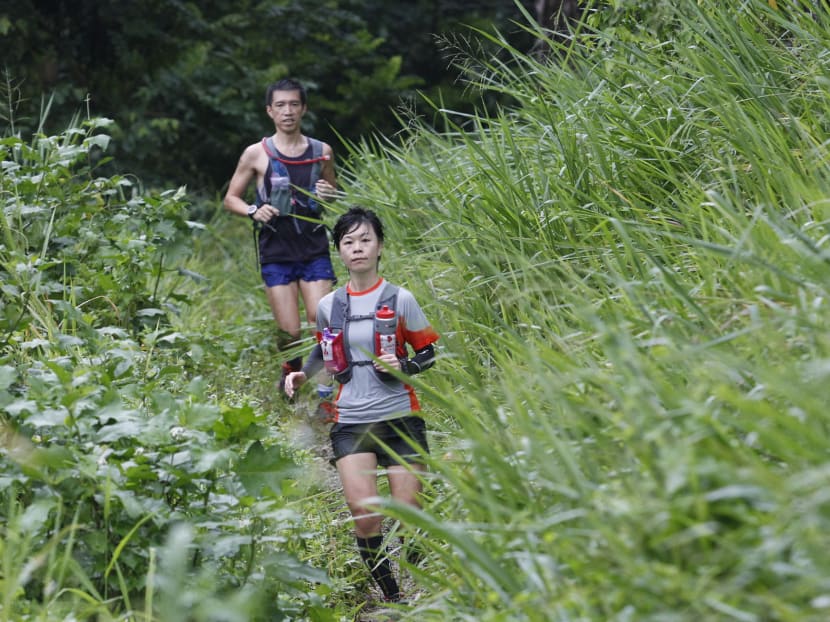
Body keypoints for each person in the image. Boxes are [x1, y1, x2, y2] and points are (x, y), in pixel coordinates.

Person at [285, 207, 439, 602]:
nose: (357, 248)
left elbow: (429, 353)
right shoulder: (328, 306)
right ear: (339, 251)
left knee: (409, 514)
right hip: (351, 421)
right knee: (366, 516)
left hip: (400, 416)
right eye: (348, 242)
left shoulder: (400, 298)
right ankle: (393, 598)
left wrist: (402, 364)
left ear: (380, 246)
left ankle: (419, 578)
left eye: (365, 239)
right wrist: (303, 374)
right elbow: (324, 352)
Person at [223, 78, 337, 397]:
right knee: (289, 332)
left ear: (304, 109)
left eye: (294, 105)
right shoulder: (256, 154)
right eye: (281, 105)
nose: (288, 111)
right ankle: (290, 378)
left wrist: (329, 194)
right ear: (270, 111)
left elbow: (332, 192)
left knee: (322, 319)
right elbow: (230, 198)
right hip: (276, 250)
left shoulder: (321, 152)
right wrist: (252, 210)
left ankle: (325, 388)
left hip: (314, 247)